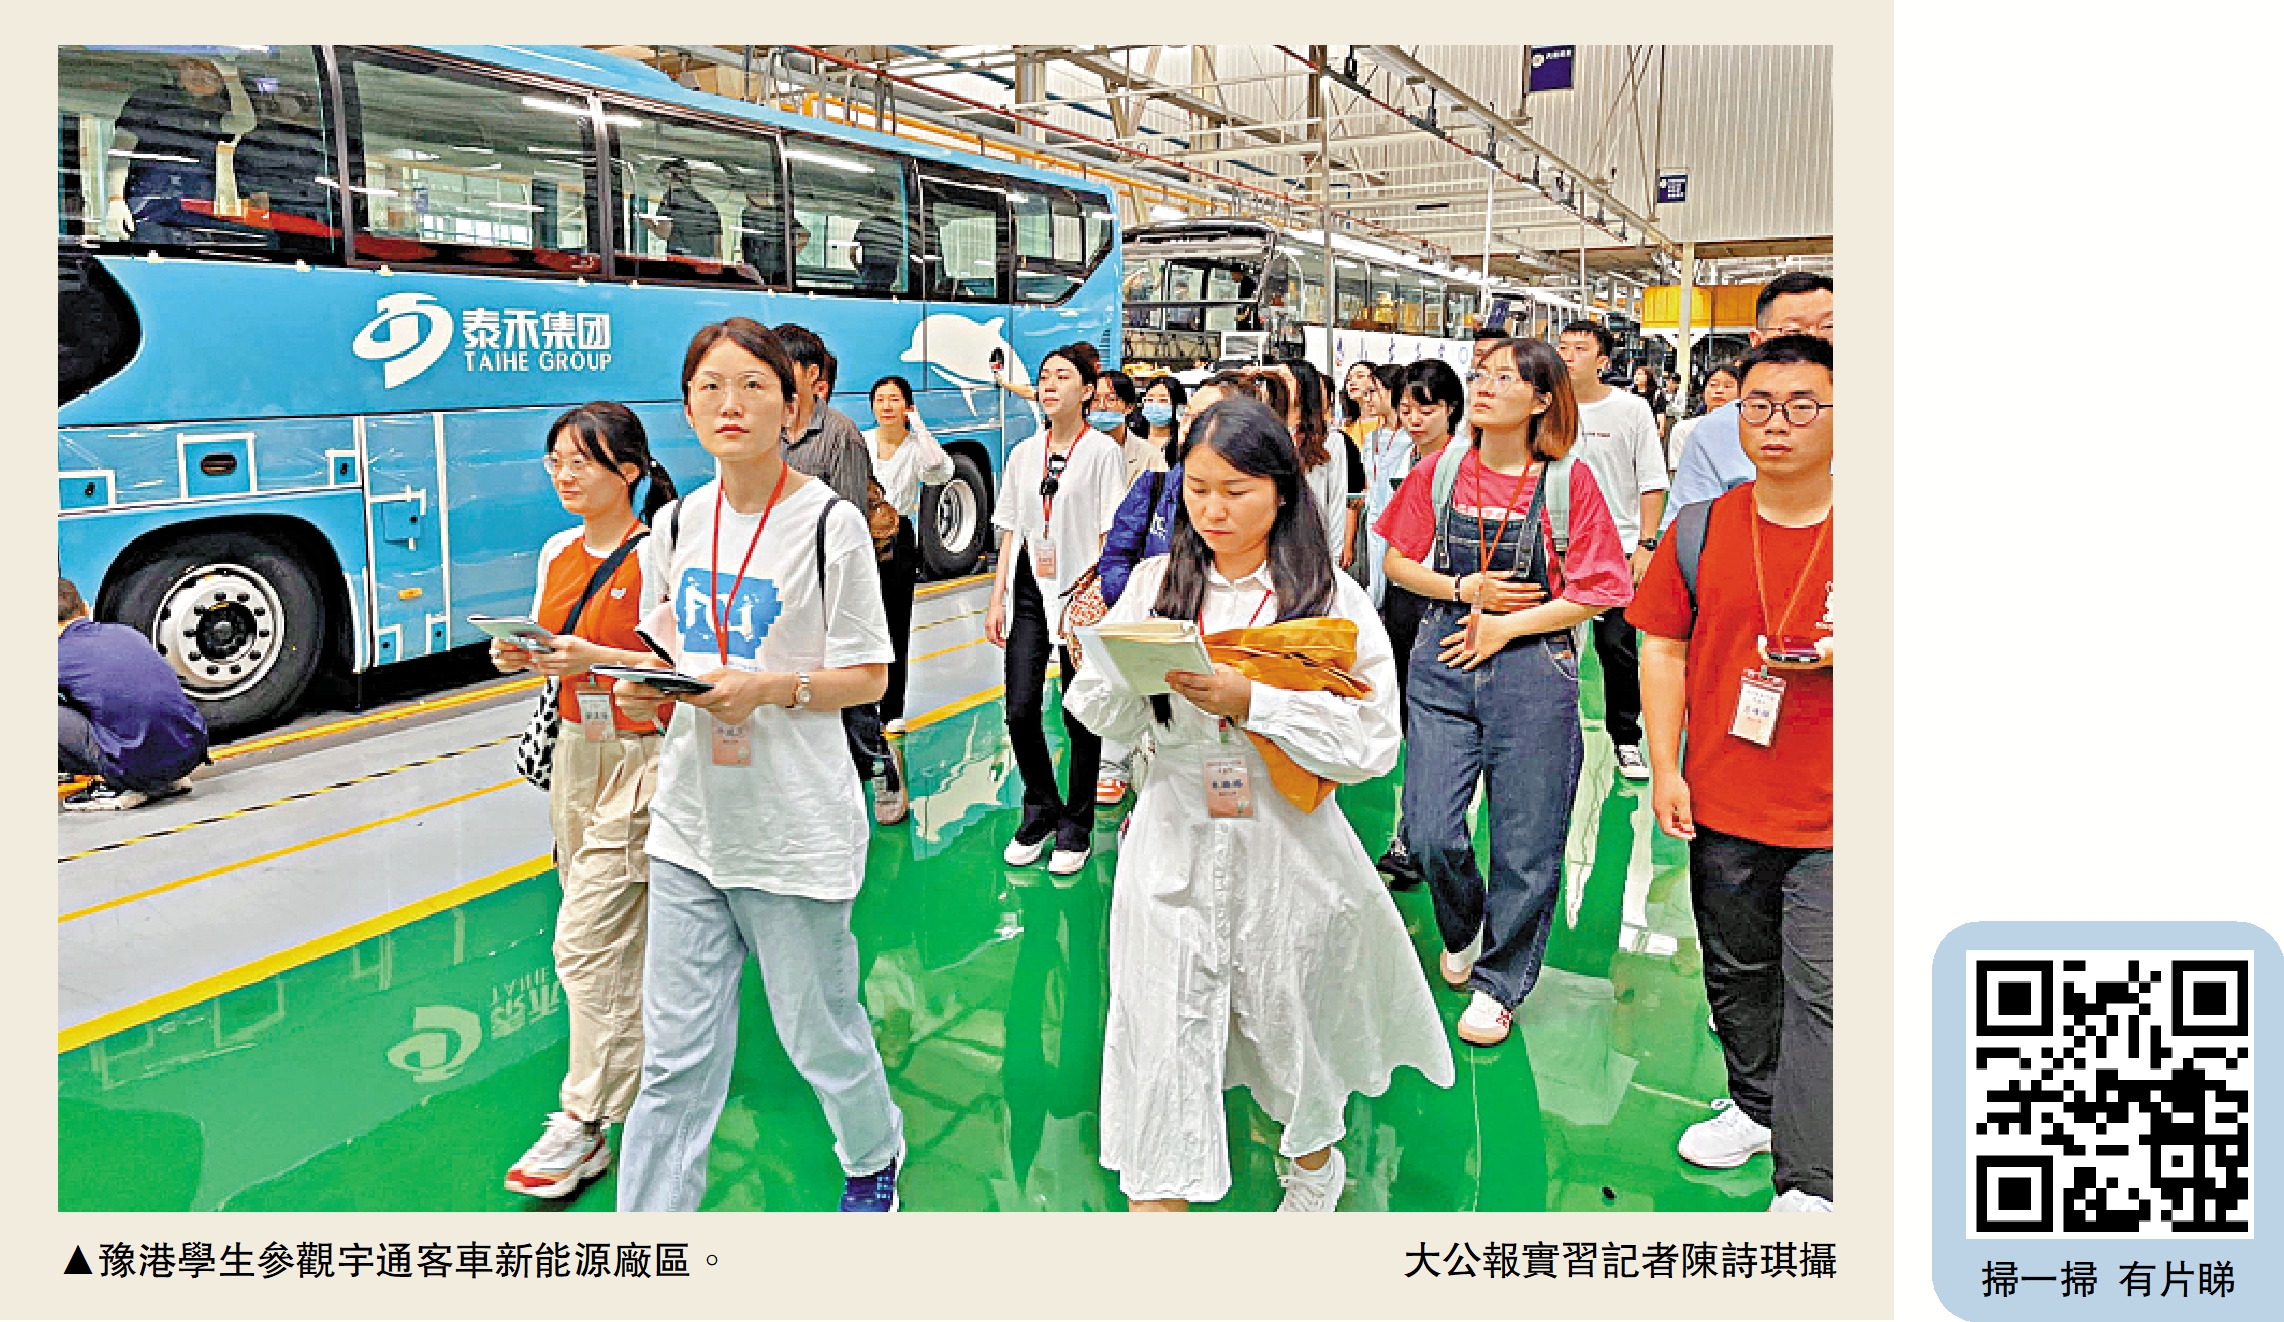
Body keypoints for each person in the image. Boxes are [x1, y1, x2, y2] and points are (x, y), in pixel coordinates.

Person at [1063, 396, 1454, 1212]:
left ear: (1281, 489)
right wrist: (1103, 670)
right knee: (1161, 1028)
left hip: (1289, 850)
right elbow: (1102, 713)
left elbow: (1373, 743)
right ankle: (1161, 1190)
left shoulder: (1329, 601)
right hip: (1172, 839)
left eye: (1235, 489)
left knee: (1288, 1019)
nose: (1212, 509)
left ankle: (1313, 1163)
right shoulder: (1154, 584)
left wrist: (1256, 702)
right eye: (1197, 488)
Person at [609, 318, 905, 1212]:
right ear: (688, 405)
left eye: (752, 387)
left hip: (794, 829)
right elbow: (663, 649)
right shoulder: (676, 522)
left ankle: (873, 1153)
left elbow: (869, 674)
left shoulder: (830, 524)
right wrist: (636, 695)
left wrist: (770, 688)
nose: (729, 405)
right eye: (709, 387)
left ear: (794, 403)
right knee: (674, 1059)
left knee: (820, 1031)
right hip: (691, 823)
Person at [1375, 338, 1633, 1047]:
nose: (1485, 387)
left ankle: (1500, 982)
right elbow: (1397, 562)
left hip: (1533, 670)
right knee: (1428, 829)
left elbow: (1600, 589)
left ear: (1543, 400)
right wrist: (1463, 589)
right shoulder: (1441, 470)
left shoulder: (1568, 482)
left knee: (1527, 842)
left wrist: (1508, 625)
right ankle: (1463, 923)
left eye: (1506, 379)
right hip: (1443, 660)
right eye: (1481, 375)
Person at [1629, 335, 1835, 1214]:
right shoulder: (1704, 526)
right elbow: (1663, 647)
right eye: (1758, 406)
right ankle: (1755, 1107)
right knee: (1737, 970)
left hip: (1842, 814)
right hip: (1725, 796)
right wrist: (1666, 769)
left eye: (1802, 406)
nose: (1776, 424)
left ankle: (1815, 1180)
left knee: (1825, 986)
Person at [490, 402, 680, 1199]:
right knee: (606, 934)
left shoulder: (663, 552)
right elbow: (551, 660)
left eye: (583, 461)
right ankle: (639, 1068)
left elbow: (677, 664)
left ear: (629, 471)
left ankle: (586, 1119)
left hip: (644, 758)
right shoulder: (558, 551)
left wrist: (592, 656)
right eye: (555, 461)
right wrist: (520, 655)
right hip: (575, 753)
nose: (565, 474)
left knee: (584, 939)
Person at [985, 344, 1128, 876]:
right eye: (1044, 377)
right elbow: (1013, 530)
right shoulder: (1024, 453)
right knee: (1020, 708)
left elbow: (1109, 531)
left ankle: (1078, 822)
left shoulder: (1102, 454)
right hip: (1028, 585)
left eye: (1061, 377)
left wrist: (1096, 602)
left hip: (1079, 591)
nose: (1048, 385)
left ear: (1087, 391)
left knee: (1079, 712)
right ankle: (1040, 806)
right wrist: (996, 597)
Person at [1366, 358, 1482, 890]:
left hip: (1447, 600)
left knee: (1437, 724)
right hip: (1403, 597)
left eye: (1426, 408)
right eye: (1406, 407)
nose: (1413, 418)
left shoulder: (1463, 464)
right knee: (1414, 718)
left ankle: (1417, 836)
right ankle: (1415, 830)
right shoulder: (1399, 452)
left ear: (1451, 410)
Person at [1556, 320, 1669, 783]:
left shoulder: (1631, 411)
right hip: (1556, 548)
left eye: (1579, 348)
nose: (1567, 355)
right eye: (1561, 347)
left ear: (1602, 361)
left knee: (1617, 649)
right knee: (1552, 647)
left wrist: (1645, 544)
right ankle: (1551, 739)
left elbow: (1651, 481)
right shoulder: (1545, 408)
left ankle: (1626, 740)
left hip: (1618, 550)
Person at [1661, 273, 1834, 532]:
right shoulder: (1714, 434)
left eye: (1830, 327)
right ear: (1757, 341)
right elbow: (1687, 532)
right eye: (1793, 332)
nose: (1815, 342)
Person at [58, 577, 207, 811]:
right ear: (86, 608)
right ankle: (164, 779)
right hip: (187, 754)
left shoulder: (59, 654)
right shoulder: (125, 632)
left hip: (135, 769)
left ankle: (116, 785)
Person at [862, 376, 955, 736]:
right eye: (880, 398)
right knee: (861, 622)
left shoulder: (917, 447)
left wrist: (918, 425)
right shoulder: (861, 442)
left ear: (906, 406)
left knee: (895, 624)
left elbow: (941, 472)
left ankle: (892, 707)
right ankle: (862, 703)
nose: (886, 406)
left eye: (895, 399)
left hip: (898, 537)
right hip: (860, 536)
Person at [105, 55, 254, 244]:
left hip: (197, 212)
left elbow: (244, 123)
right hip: (148, 208)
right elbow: (120, 151)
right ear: (180, 67)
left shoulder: (215, 109)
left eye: (208, 69)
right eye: (192, 65)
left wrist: (233, 80)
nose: (199, 73)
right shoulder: (149, 99)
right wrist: (115, 199)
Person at [769, 324, 874, 513]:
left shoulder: (842, 435)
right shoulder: (765, 429)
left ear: (812, 374)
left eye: (785, 368)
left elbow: (851, 519)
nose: (777, 377)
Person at [231, 78, 332, 240]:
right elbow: (254, 195)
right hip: (290, 220)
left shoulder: (316, 142)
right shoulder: (256, 141)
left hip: (306, 220)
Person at [639, 158, 723, 260]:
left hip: (680, 264)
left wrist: (649, 223)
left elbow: (664, 233)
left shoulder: (670, 200)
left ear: (670, 177)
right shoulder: (708, 205)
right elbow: (718, 248)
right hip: (704, 268)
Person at [1668, 365, 1740, 478]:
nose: (1719, 391)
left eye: (1728, 386)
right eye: (1713, 385)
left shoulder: (1748, 432)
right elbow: (1678, 475)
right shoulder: (1684, 430)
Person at [1093, 369, 1157, 486]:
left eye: (1111, 399)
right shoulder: (1077, 450)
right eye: (1095, 399)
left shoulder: (1150, 456)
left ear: (1129, 407)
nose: (1101, 406)